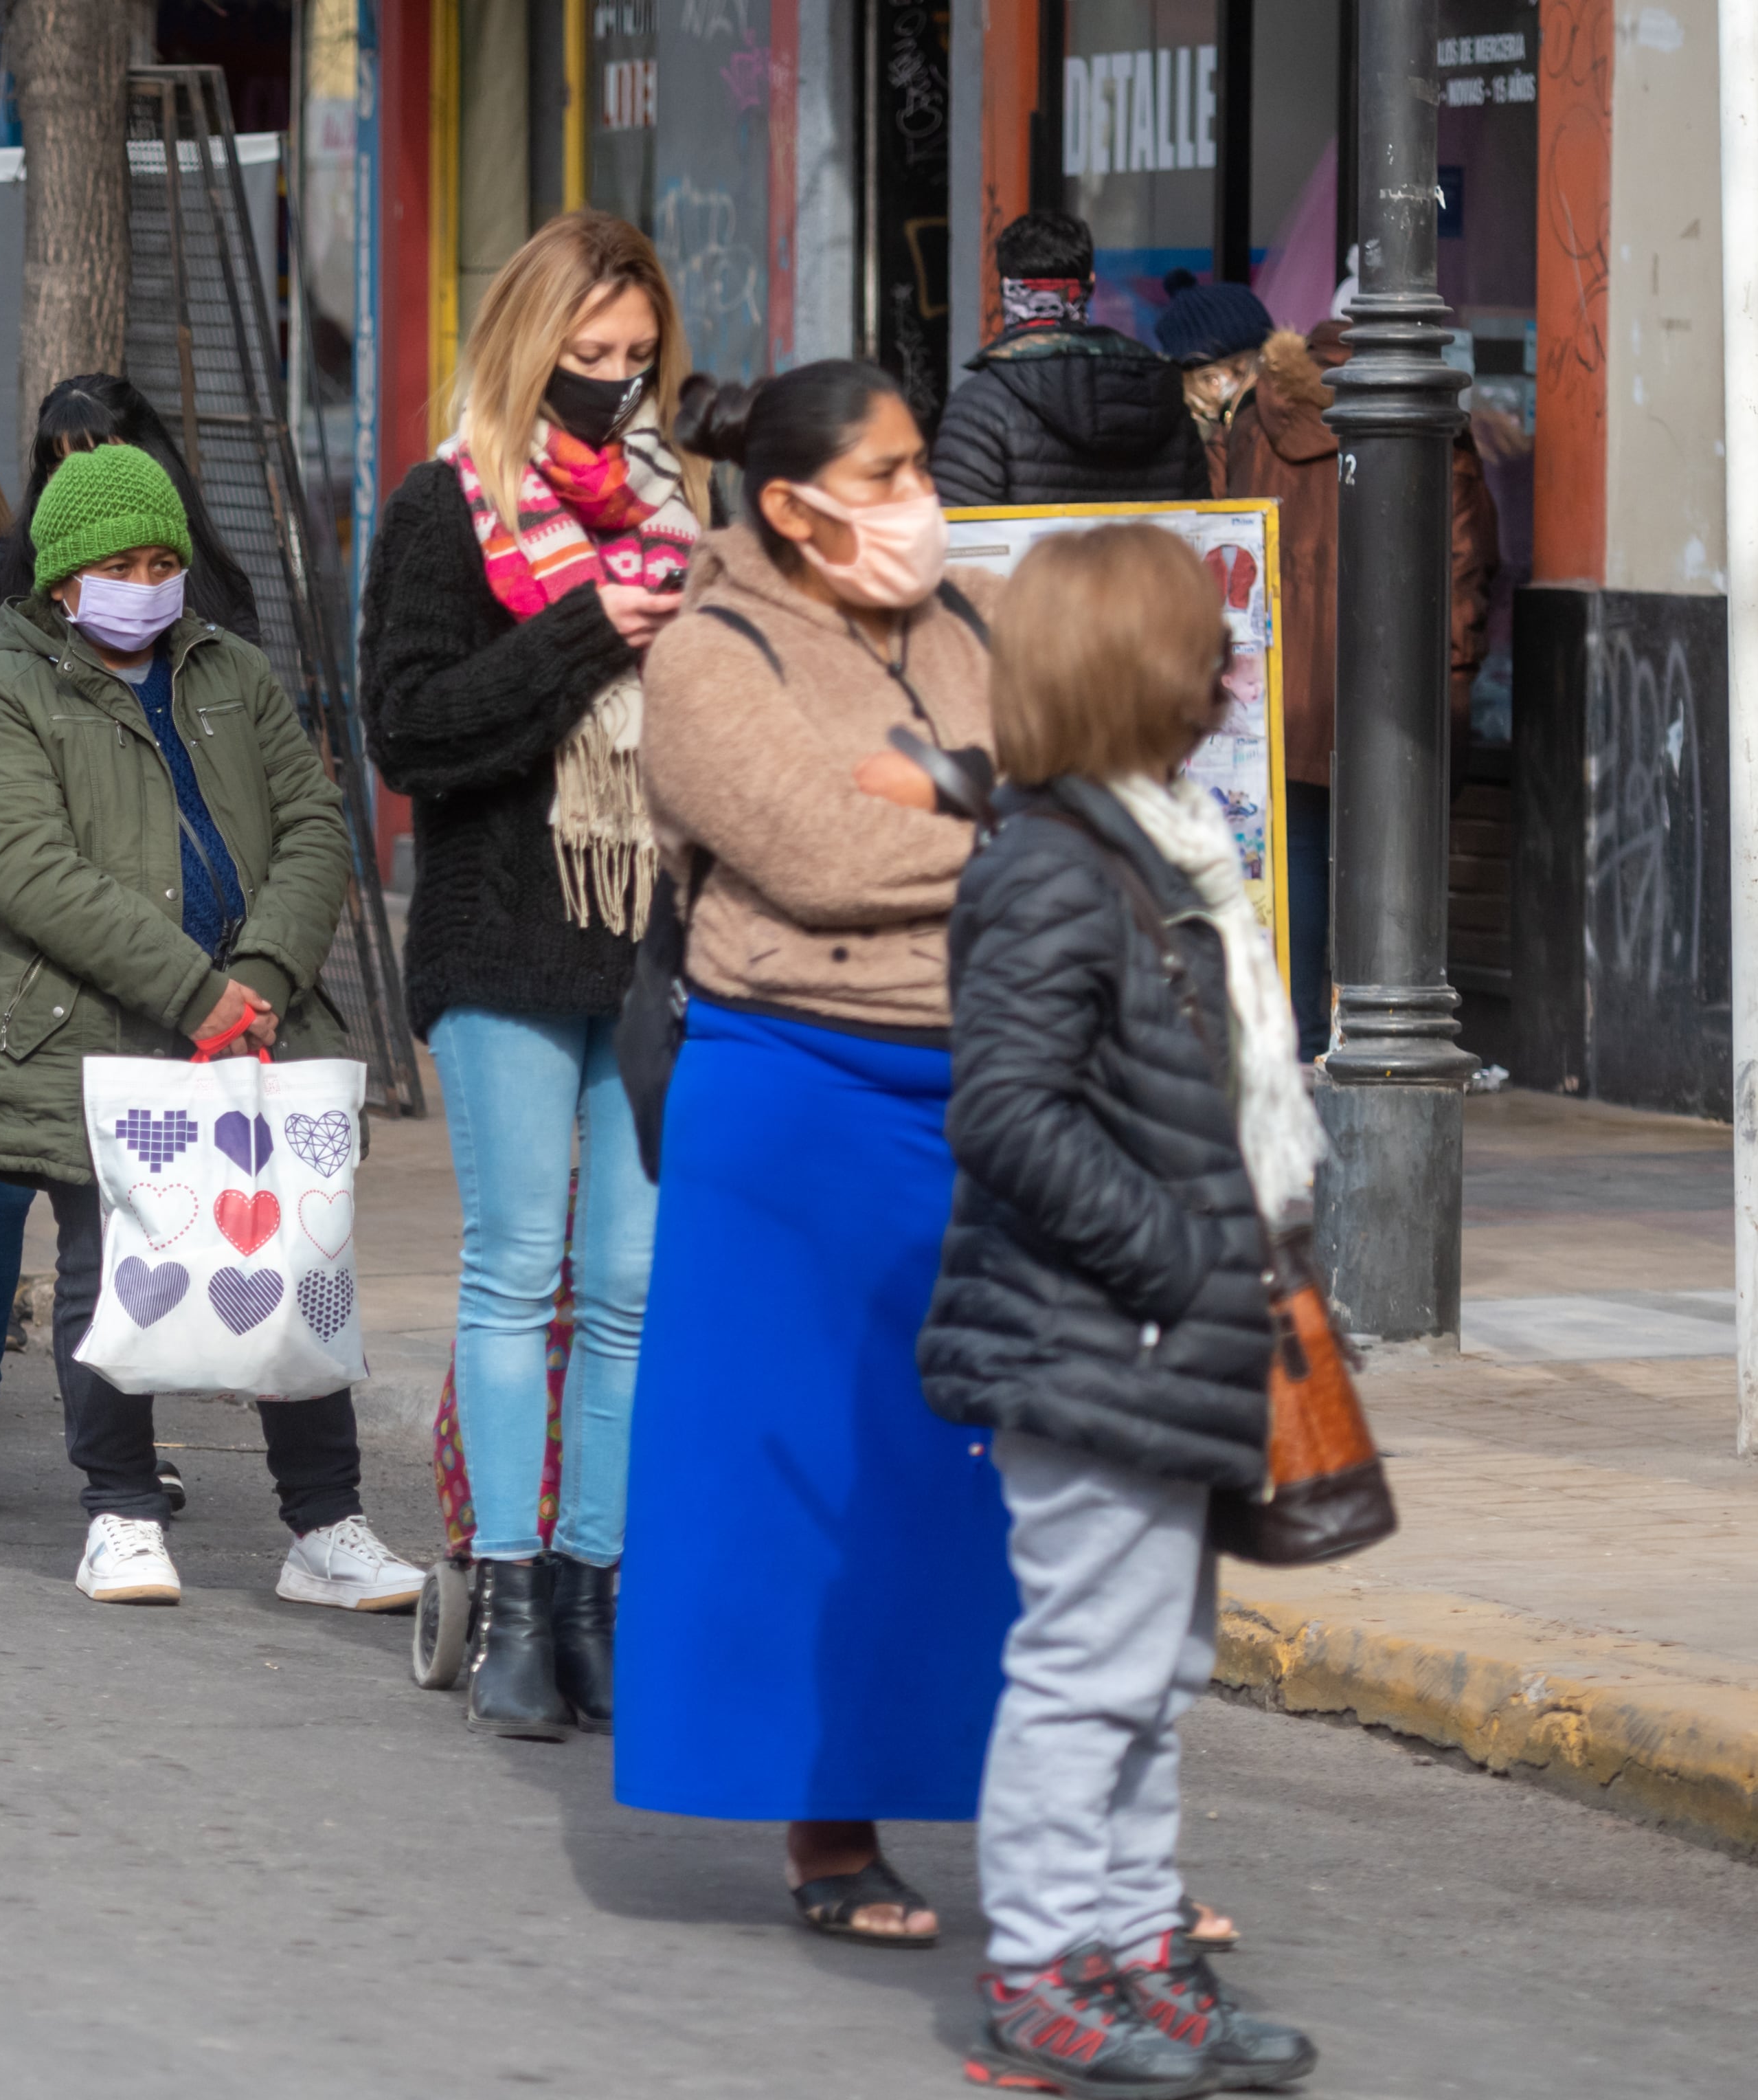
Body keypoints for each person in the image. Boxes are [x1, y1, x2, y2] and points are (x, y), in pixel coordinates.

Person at [919, 521, 1321, 2100]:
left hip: (1168, 1338)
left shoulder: (1152, 850)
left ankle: (1132, 1943)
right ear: (1132, 672)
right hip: (1099, 1335)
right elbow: (1005, 1113)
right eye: (1201, 647)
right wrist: (1172, 1260)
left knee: (1156, 1669)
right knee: (1092, 1663)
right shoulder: (1052, 871)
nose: (1226, 672)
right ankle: (1043, 1972)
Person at [615, 360, 1016, 1945]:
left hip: (990, 1091)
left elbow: (1102, 794)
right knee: (802, 1479)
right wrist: (996, 818)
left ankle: (1089, 1845)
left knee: (1006, 1495)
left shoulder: (976, 618)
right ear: (788, 505)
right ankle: (827, 1833)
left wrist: (958, 798)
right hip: (793, 1101)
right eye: (889, 471)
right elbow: (814, 854)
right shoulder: (708, 654)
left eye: (921, 466)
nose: (920, 500)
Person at [0, 443, 428, 1609]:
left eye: (165, 560)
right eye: (121, 563)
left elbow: (315, 827)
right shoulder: (3, 692)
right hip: (95, 1027)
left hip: (259, 1025)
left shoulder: (235, 673)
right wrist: (191, 988)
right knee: (110, 1269)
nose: (148, 583)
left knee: (295, 1261)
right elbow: (30, 870)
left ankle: (327, 1525)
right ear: (63, 578)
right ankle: (118, 1508)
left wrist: (258, 972)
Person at [359, 210, 695, 1736]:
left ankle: (589, 1595)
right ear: (527, 342)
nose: (613, 386)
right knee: (515, 1268)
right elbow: (413, 732)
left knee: (626, 1288)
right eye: (587, 356)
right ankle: (503, 1596)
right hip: (502, 924)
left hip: (648, 936)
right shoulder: (447, 505)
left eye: (635, 359)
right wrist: (579, 631)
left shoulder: (678, 510)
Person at [0, 367, 247, 1509]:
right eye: (58, 454)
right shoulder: (11, 613)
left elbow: (276, 801)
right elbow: (16, 834)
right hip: (33, 967)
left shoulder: (210, 616)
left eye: (102, 447)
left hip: (169, 974)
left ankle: (115, 1437)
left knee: (120, 1233)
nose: (80, 473)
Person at [1157, 282, 1500, 1057]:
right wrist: (1454, 668)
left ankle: (1305, 1037)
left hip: (1285, 683)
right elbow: (1466, 561)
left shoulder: (1250, 422)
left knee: (1301, 858)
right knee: (1394, 860)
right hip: (1396, 688)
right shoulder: (1429, 420)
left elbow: (1219, 536)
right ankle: (1387, 1039)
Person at [0, 372, 260, 656]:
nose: (82, 481)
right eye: (61, 467)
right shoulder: (0, 579)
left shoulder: (219, 588)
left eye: (106, 459)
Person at [931, 212, 1202, 509]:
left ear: (1005, 287)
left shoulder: (979, 405)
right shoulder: (1164, 392)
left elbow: (963, 543)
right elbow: (1201, 530)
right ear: (1091, 284)